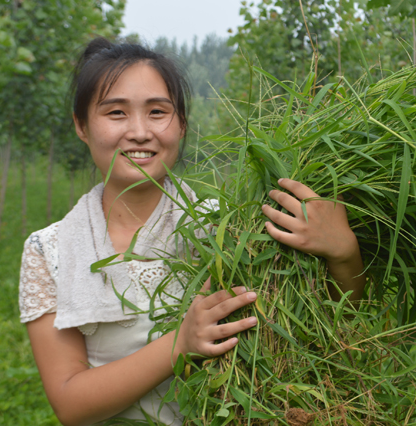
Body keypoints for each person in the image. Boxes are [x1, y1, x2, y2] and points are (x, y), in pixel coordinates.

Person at [18, 37, 365, 426]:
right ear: (81, 126)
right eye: (116, 112)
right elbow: (71, 404)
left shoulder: (228, 228)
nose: (138, 131)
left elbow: (326, 329)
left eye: (157, 112)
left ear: (181, 125)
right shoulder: (50, 250)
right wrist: (179, 345)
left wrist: (345, 254)